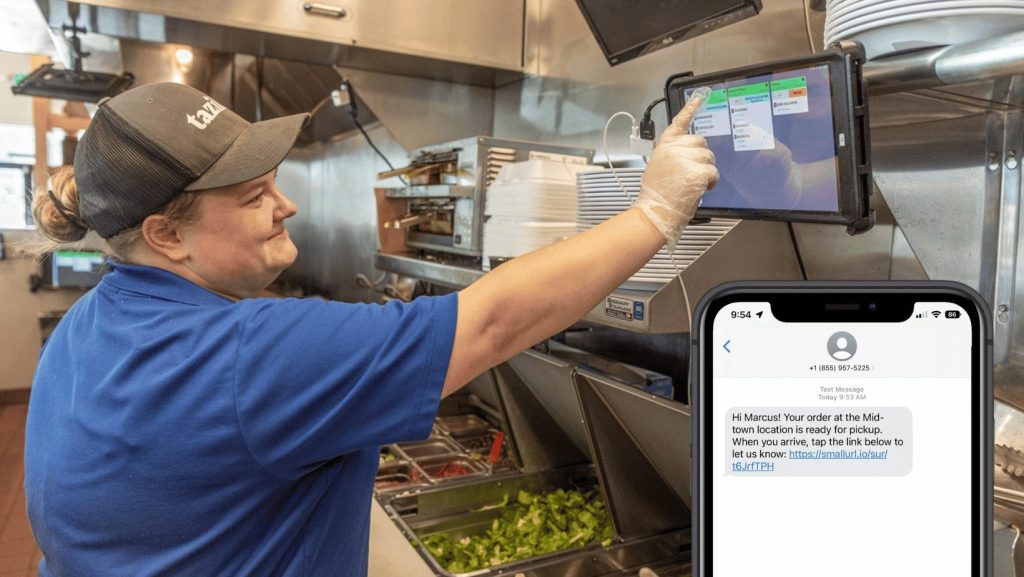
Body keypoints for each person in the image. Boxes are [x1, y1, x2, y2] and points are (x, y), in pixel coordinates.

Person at [24, 82, 717, 577]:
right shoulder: (244, 353)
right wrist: (652, 211)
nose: (286, 205)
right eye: (253, 196)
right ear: (165, 235)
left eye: (276, 182)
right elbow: (492, 322)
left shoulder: (87, 323)